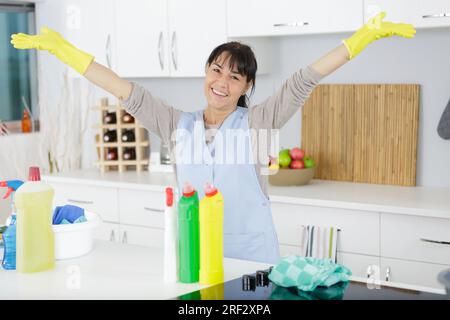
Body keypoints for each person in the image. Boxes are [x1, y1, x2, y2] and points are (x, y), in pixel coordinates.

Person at [11, 12, 415, 264]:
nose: (222, 82)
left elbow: (302, 81)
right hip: (196, 258)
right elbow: (123, 89)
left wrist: (361, 39)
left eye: (234, 76)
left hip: (252, 263)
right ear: (206, 72)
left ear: (246, 86)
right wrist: (64, 50)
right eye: (216, 70)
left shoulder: (258, 123)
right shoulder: (175, 124)